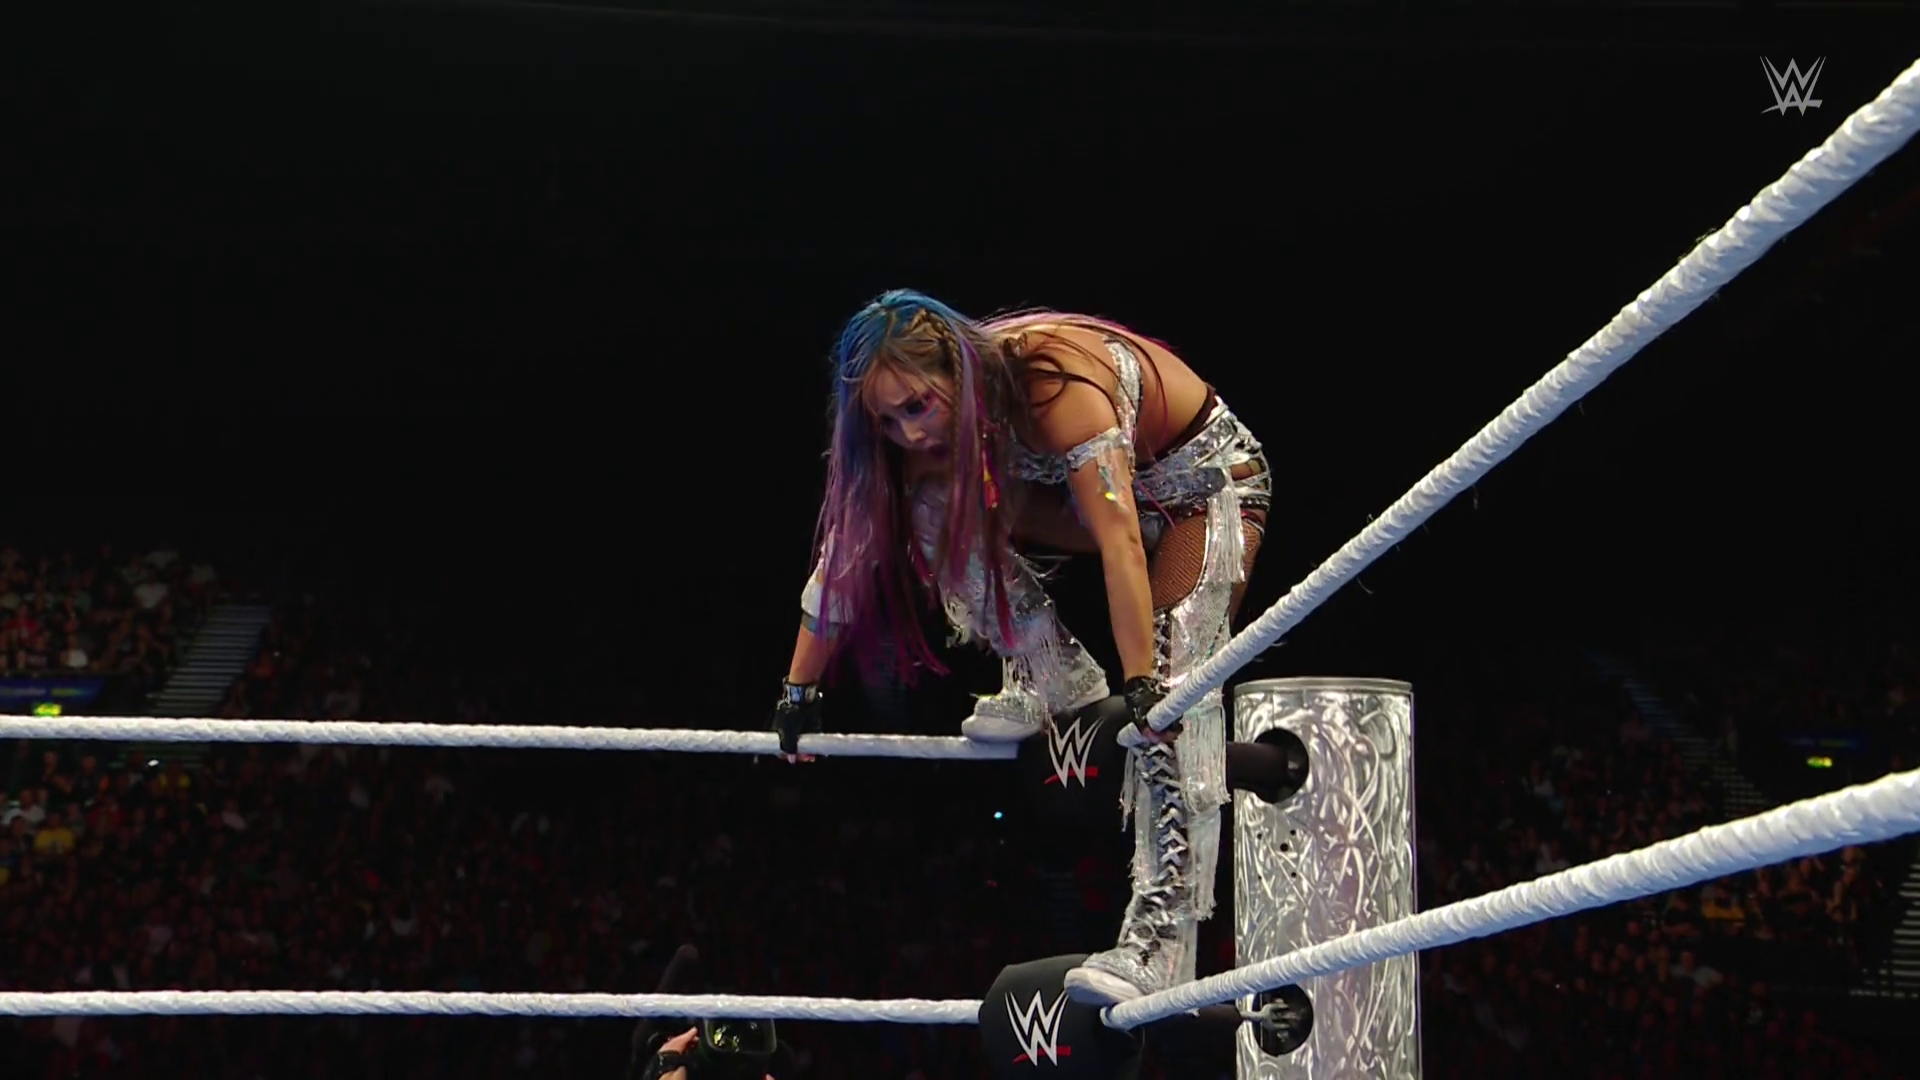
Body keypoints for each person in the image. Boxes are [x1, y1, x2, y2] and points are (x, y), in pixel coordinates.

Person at [773, 289, 1271, 1005]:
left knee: (1173, 696)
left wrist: (1141, 681)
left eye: (917, 407)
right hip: (1100, 504)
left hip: (1203, 491)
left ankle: (1164, 940)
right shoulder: (927, 443)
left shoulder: (1049, 381)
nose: (908, 433)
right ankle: (1050, 669)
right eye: (886, 421)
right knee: (924, 502)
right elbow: (849, 553)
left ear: (955, 370)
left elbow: (1119, 540)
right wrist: (799, 690)